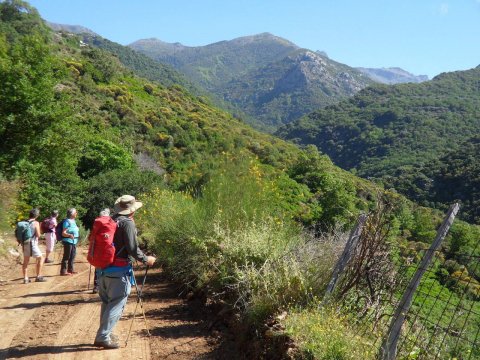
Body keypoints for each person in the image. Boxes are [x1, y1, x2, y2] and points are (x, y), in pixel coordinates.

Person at [94, 195, 156, 349]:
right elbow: (133, 249)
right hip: (118, 270)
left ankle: (106, 333)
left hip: (102, 269)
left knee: (108, 302)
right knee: (116, 303)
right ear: (132, 211)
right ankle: (103, 336)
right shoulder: (127, 223)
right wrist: (146, 259)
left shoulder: (110, 220)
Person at [21, 208, 47, 283]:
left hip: (25, 243)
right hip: (32, 243)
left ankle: (25, 278)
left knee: (26, 261)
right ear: (37, 215)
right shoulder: (36, 223)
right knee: (41, 258)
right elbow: (38, 235)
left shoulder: (24, 222)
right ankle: (38, 276)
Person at [92, 208, 111, 294]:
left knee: (98, 268)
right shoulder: (111, 224)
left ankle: (97, 286)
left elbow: (91, 238)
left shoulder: (96, 225)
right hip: (107, 250)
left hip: (98, 250)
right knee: (104, 267)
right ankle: (103, 286)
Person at [60, 208, 79, 276]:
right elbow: (63, 233)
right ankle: (63, 271)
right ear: (72, 214)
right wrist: (69, 235)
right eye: (75, 212)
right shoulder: (67, 221)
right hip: (68, 241)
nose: (76, 213)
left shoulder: (73, 221)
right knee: (66, 256)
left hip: (74, 241)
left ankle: (70, 270)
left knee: (72, 256)